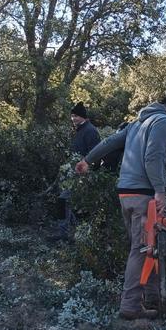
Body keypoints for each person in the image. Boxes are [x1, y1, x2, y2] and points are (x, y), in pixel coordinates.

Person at [75, 94, 166, 320]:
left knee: (150, 246)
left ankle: (153, 298)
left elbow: (109, 142)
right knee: (141, 249)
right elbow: (153, 157)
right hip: (143, 194)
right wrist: (160, 190)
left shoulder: (137, 123)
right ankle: (130, 305)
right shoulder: (163, 121)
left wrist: (87, 160)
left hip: (125, 192)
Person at [52, 102, 100, 241]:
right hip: (74, 174)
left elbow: (96, 153)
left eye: (76, 116)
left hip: (83, 175)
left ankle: (73, 235)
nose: (73, 118)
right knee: (67, 202)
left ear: (83, 117)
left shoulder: (90, 131)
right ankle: (68, 233)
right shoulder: (80, 130)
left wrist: (89, 171)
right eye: (72, 116)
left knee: (66, 200)